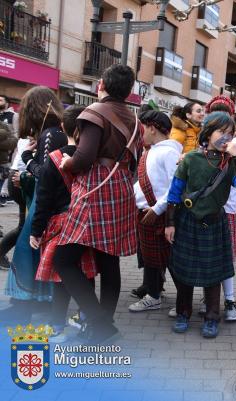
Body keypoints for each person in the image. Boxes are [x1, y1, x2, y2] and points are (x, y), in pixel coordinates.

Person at [53, 64, 139, 344]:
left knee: (64, 259)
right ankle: (103, 324)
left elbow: (84, 157)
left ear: (100, 84)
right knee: (108, 257)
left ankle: (100, 323)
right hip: (121, 187)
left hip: (95, 188)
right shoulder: (133, 117)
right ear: (130, 90)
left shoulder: (95, 112)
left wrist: (68, 162)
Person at [165, 111, 236, 338]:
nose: (226, 137)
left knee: (213, 275)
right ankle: (184, 313)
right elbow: (174, 193)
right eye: (221, 132)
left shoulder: (230, 162)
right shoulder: (191, 159)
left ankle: (212, 318)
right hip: (187, 220)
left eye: (230, 134)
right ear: (208, 132)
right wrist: (170, 222)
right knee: (184, 272)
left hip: (215, 221)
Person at [28, 105, 96, 342]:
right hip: (87, 223)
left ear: (62, 127)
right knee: (85, 272)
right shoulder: (92, 159)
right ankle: (85, 318)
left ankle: (57, 325)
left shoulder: (54, 160)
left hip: (60, 224)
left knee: (61, 277)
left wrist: (36, 231)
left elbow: (43, 201)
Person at [1, 86, 65, 323]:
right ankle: (36, 304)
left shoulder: (49, 134)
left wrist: (27, 163)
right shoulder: (56, 131)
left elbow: (47, 175)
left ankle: (22, 306)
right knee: (36, 253)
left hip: (44, 202)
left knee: (26, 251)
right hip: (49, 202)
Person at [128, 111, 181, 313]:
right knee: (151, 259)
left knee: (171, 261)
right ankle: (153, 294)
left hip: (161, 214)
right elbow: (141, 184)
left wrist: (158, 208)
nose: (140, 133)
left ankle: (180, 301)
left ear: (151, 128)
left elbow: (176, 186)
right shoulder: (150, 151)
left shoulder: (169, 153)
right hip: (146, 212)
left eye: (142, 128)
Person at [0, 136, 29, 270]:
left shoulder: (29, 136)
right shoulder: (33, 137)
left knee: (25, 226)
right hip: (20, 178)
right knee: (25, 226)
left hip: (18, 176)